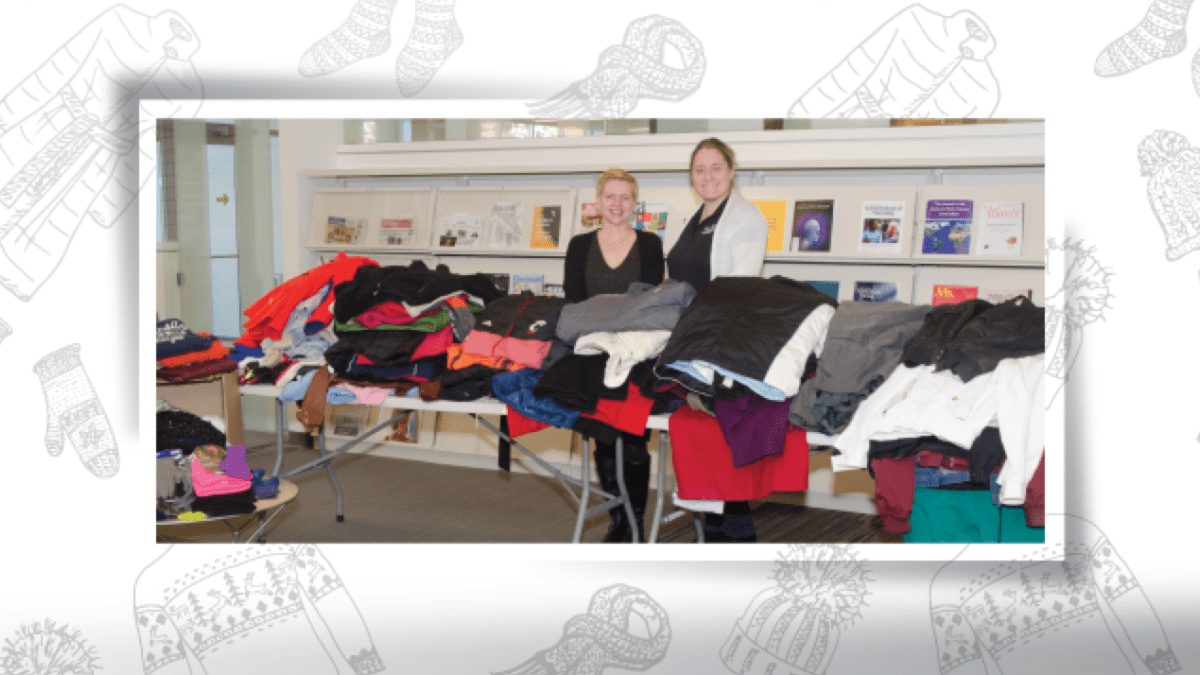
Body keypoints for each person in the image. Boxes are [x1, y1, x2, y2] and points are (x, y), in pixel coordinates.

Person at [666, 137, 769, 543]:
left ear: (731, 171)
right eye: (699, 169)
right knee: (704, 436)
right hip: (690, 340)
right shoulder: (696, 217)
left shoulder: (745, 217)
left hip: (721, 342)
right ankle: (717, 529)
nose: (707, 176)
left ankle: (736, 535)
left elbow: (739, 289)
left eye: (715, 168)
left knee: (719, 433)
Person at [564, 168, 664, 542]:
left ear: (634, 204)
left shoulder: (650, 245)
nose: (617, 204)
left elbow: (652, 305)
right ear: (598, 201)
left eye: (625, 198)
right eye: (610, 197)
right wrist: (614, 315)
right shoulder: (578, 246)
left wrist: (609, 315)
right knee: (602, 436)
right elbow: (574, 304)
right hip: (592, 355)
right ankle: (616, 520)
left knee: (634, 439)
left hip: (636, 357)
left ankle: (635, 521)